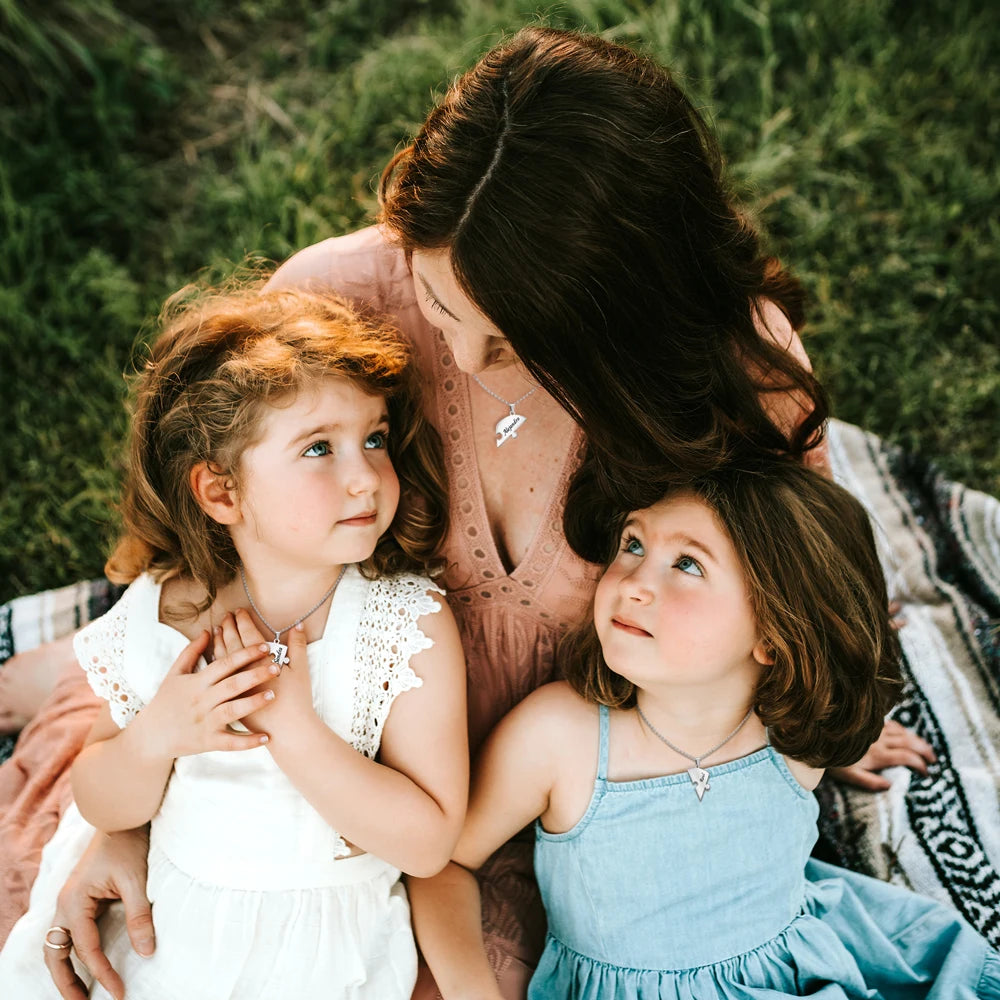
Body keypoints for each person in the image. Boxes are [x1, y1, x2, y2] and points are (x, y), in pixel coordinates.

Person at [0, 25, 940, 1000]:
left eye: (519, 340)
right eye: (445, 312)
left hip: (537, 805)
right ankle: (63, 674)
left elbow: (795, 560)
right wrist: (126, 823)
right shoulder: (336, 309)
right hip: (329, 763)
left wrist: (795, 697)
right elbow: (216, 558)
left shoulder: (728, 368)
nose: (470, 359)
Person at [0, 285, 469, 999]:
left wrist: (294, 730)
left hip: (321, 953)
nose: (365, 476)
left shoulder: (401, 624)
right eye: (320, 449)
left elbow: (430, 842)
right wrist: (157, 736)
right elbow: (99, 794)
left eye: (373, 438)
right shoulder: (172, 609)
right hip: (171, 934)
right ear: (222, 494)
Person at [409, 455, 999, 999]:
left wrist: (842, 752)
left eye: (687, 564)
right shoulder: (560, 738)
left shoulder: (793, 744)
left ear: (774, 635)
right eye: (633, 544)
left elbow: (834, 701)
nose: (635, 581)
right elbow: (445, 862)